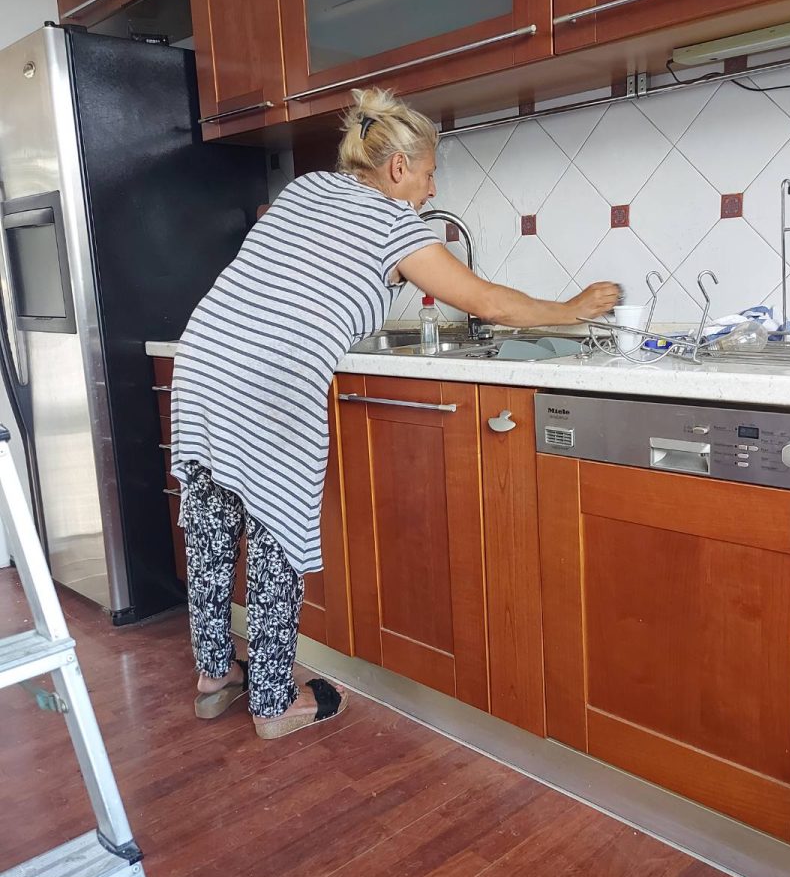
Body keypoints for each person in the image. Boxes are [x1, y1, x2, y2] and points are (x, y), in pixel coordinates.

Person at [171, 87, 620, 740]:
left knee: (212, 528)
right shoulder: (394, 224)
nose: (432, 190)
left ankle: (216, 676)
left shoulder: (304, 190)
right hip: (269, 381)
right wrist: (571, 308)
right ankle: (272, 702)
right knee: (275, 530)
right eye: (430, 174)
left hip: (202, 360)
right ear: (399, 166)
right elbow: (486, 303)